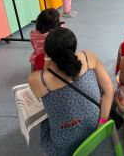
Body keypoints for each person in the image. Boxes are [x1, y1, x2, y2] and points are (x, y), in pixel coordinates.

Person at [28, 28, 113, 156]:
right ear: (74, 47)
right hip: (96, 126)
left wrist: (46, 59)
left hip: (64, 146)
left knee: (44, 119)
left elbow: (45, 75)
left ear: (48, 53)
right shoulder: (88, 57)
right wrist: (102, 122)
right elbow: (108, 90)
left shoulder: (36, 79)